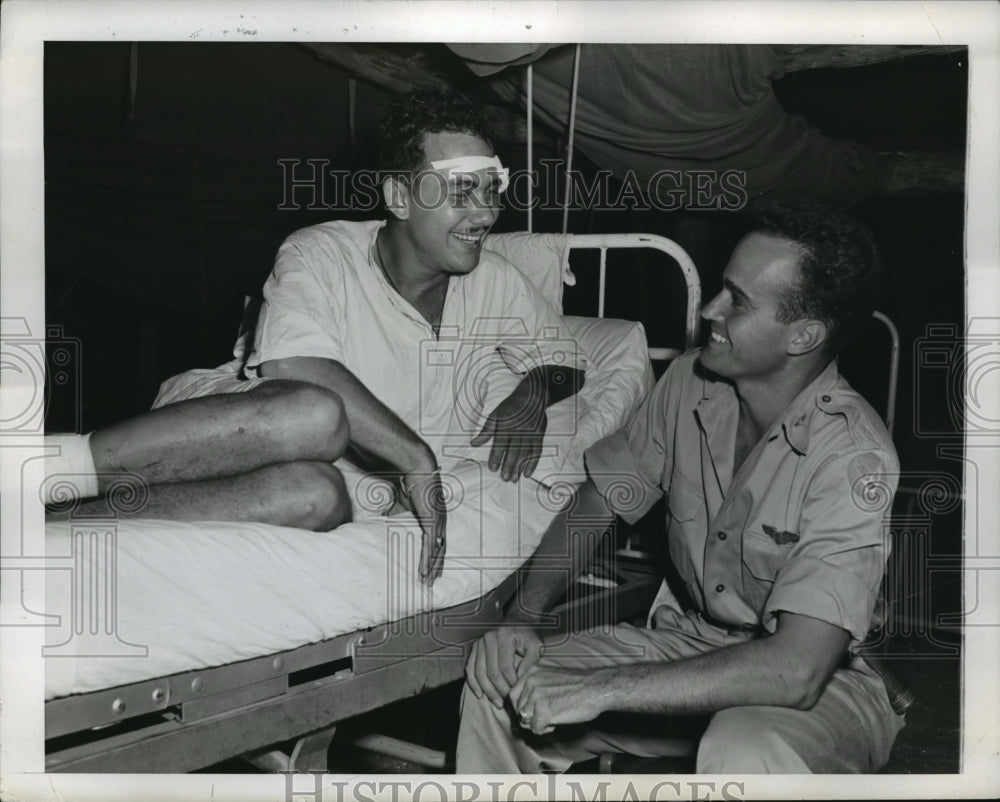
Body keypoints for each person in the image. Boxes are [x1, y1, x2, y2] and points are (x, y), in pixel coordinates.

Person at [44, 91, 586, 586]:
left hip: (319, 474)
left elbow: (566, 359)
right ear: (399, 196)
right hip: (225, 424)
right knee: (317, 414)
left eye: (492, 189)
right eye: (462, 191)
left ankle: (57, 524)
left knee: (317, 497)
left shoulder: (496, 282)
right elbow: (293, 368)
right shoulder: (320, 252)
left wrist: (533, 392)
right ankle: (49, 467)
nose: (486, 213)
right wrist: (417, 459)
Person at [456, 203, 904, 773]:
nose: (710, 308)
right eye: (720, 287)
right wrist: (524, 617)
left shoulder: (853, 458)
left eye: (737, 301)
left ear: (803, 336)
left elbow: (797, 670)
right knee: (499, 687)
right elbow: (601, 498)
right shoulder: (690, 382)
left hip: (824, 683)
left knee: (743, 745)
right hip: (691, 642)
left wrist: (600, 689)